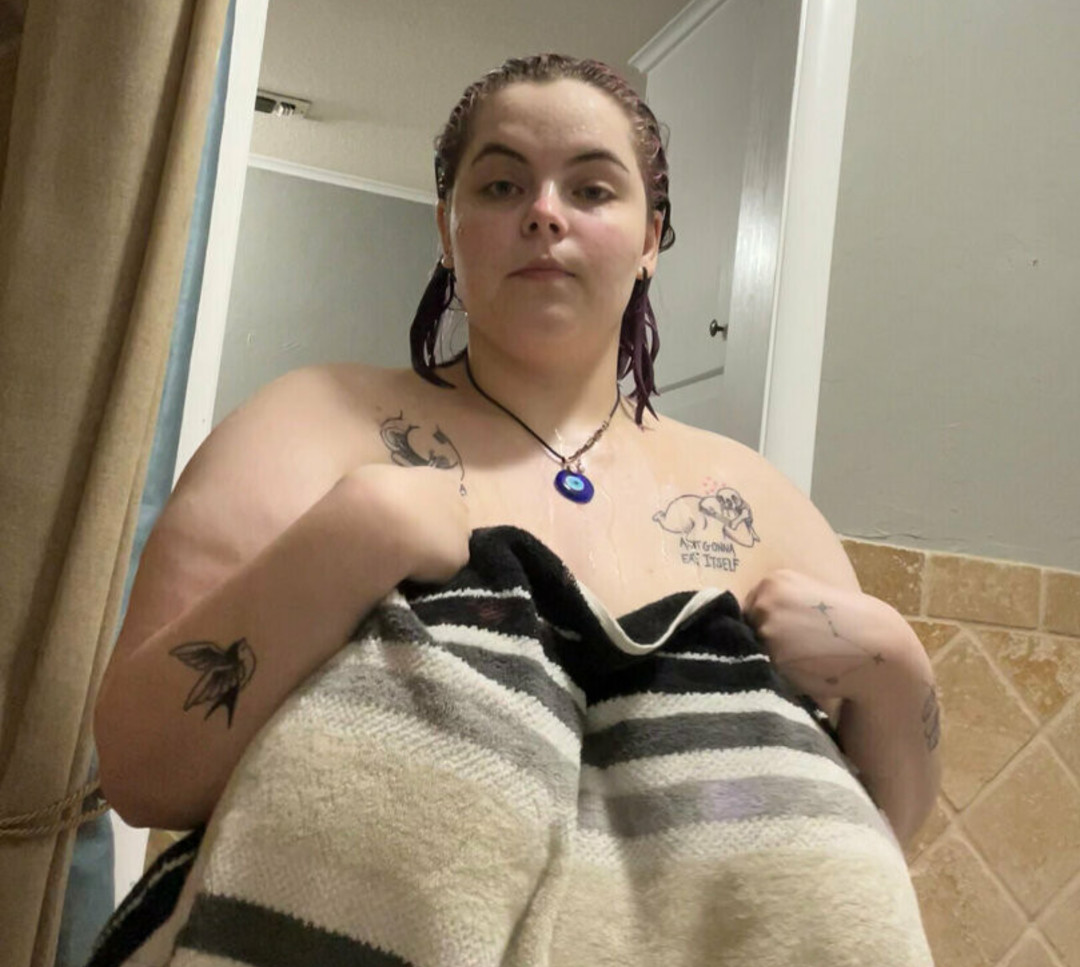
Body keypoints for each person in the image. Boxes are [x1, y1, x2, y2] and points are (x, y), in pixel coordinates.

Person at [93, 52, 941, 847]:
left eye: (592, 189)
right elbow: (140, 773)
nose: (544, 211)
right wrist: (354, 535)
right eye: (502, 185)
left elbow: (874, 846)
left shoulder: (759, 505)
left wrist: (898, 675)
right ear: (447, 229)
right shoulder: (308, 426)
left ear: (650, 240)